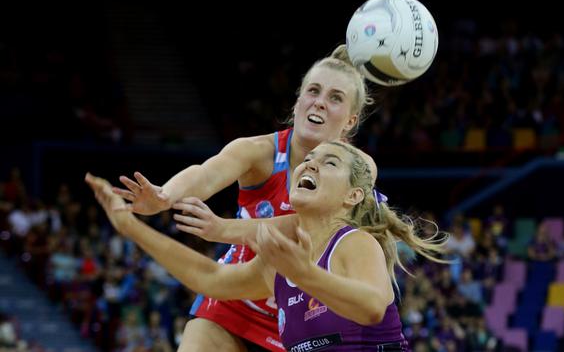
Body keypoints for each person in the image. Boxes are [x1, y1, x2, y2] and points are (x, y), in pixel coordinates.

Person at [111, 45, 375, 351]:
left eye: (335, 98)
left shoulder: (359, 170)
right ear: (298, 100)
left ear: (351, 121)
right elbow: (205, 174)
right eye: (313, 91)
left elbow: (307, 226)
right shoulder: (259, 152)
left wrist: (222, 228)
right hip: (232, 300)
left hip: (302, 321)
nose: (319, 103)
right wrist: (164, 195)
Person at [86, 140, 447, 351]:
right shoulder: (282, 258)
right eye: (308, 159)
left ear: (353, 195)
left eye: (329, 162)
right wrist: (128, 226)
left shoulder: (355, 243)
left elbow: (371, 307)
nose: (311, 164)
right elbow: (209, 278)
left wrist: (304, 273)